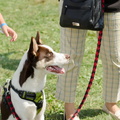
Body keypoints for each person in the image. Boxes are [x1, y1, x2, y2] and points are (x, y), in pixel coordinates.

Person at [55, 0, 120, 120]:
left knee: (114, 58)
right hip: (75, 3)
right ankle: (69, 109)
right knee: (70, 57)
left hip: (111, 4)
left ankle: (111, 104)